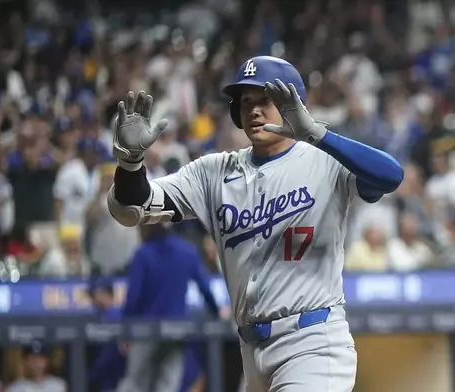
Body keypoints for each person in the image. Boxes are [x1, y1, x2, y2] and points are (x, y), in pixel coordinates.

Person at [107, 56, 404, 392]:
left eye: (266, 99)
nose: (254, 110)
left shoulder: (326, 161)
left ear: (293, 105)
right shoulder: (213, 172)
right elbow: (134, 206)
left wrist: (318, 135)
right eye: (246, 102)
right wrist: (130, 163)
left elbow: (391, 175)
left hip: (313, 343)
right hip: (251, 351)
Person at [116, 224, 220, 392]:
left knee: (135, 385)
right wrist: (216, 312)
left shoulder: (143, 253)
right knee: (167, 386)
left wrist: (125, 330)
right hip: (176, 332)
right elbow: (205, 288)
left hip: (145, 331)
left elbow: (133, 297)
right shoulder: (187, 251)